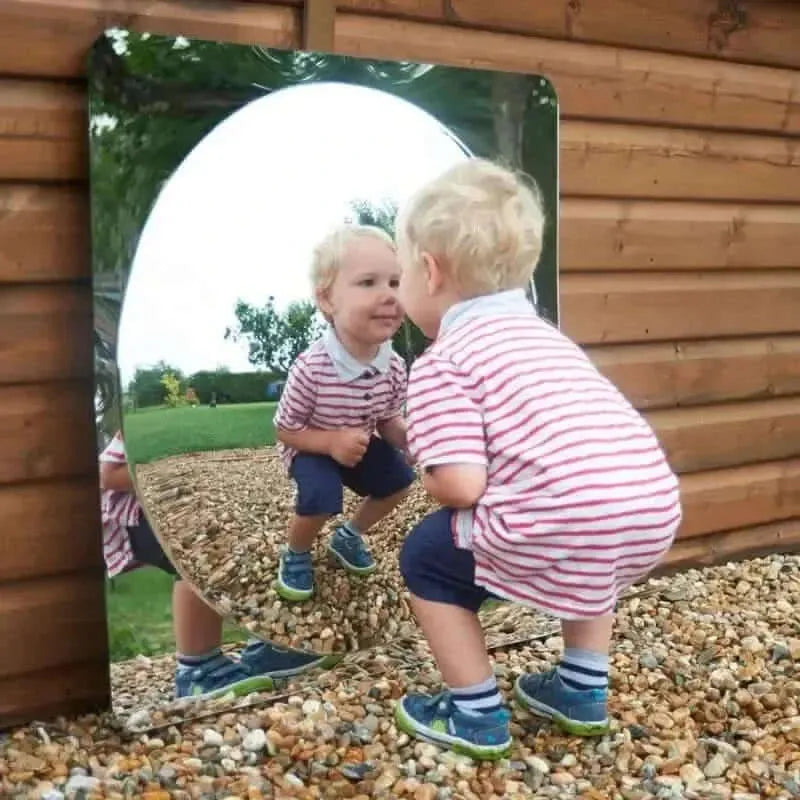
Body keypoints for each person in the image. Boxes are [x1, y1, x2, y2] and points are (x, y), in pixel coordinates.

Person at [392, 158, 682, 760]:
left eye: (399, 276)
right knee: (588, 538)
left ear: (429, 270)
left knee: (426, 556)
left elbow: (462, 485)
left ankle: (473, 712)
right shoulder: (549, 339)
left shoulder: (445, 360)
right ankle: (580, 688)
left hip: (568, 516)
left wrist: (429, 469)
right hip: (649, 508)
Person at [99, 430, 335, 700]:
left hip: (179, 503)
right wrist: (182, 474)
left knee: (259, 539)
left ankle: (270, 647)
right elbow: (109, 474)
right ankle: (197, 671)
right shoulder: (143, 427)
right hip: (134, 515)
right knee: (199, 557)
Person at [272, 224, 415, 602]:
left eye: (396, 282)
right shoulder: (312, 367)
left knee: (400, 480)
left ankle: (347, 536)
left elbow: (387, 419)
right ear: (327, 300)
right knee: (320, 495)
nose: (389, 295)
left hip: (357, 446)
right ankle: (296, 553)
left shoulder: (394, 366)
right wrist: (330, 441)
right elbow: (285, 430)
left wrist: (410, 438)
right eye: (368, 282)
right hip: (311, 447)